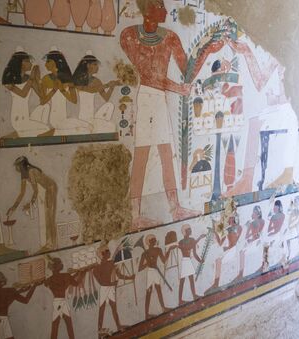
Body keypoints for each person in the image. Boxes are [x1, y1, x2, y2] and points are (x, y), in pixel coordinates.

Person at [120, 0, 199, 229]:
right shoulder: (129, 35)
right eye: (160, 6)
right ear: (147, 10)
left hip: (159, 100)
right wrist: (179, 89)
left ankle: (175, 208)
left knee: (167, 153)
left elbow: (188, 70)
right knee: (142, 154)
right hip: (147, 97)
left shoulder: (171, 37)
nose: (165, 10)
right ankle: (135, 216)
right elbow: (150, 76)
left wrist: (205, 50)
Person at [7, 156, 57, 252]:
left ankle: (51, 245)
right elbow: (22, 193)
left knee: (50, 216)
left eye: (17, 166)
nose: (16, 169)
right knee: (48, 216)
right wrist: (13, 207)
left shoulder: (31, 172)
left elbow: (35, 191)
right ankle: (49, 243)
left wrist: (30, 204)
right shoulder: (24, 174)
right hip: (47, 190)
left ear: (21, 166)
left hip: (51, 188)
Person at [1, 48, 52, 138]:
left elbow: (42, 98)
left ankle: (26, 132)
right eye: (28, 61)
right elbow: (23, 94)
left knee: (46, 106)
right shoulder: (9, 80)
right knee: (46, 130)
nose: (31, 64)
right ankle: (23, 132)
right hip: (18, 119)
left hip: (27, 118)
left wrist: (38, 79)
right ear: (21, 63)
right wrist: (32, 78)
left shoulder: (29, 78)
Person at [72, 52, 122, 133]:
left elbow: (106, 98)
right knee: (107, 127)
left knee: (110, 106)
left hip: (91, 116)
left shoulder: (97, 81)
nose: (97, 67)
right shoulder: (78, 79)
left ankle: (94, 127)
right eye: (95, 64)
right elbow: (90, 90)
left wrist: (112, 86)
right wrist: (107, 85)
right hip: (81, 117)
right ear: (88, 65)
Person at [91, 244, 135, 334]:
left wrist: (130, 277)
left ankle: (118, 326)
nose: (109, 252)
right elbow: (101, 282)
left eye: (109, 251)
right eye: (107, 251)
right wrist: (112, 283)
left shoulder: (110, 263)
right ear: (103, 254)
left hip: (110, 288)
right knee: (102, 309)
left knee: (114, 308)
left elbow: (119, 275)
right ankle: (99, 329)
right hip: (104, 289)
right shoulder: (96, 268)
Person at [44, 257, 85, 339]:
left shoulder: (49, 280)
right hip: (62, 303)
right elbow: (76, 283)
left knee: (55, 327)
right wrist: (83, 273)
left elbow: (47, 283)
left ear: (51, 268)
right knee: (69, 326)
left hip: (56, 303)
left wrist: (76, 274)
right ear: (59, 266)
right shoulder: (66, 276)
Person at [138, 234, 173, 318]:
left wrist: (168, 250)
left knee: (158, 290)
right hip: (150, 272)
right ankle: (146, 314)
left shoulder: (158, 250)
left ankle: (163, 308)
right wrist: (147, 263)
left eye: (155, 239)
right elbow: (139, 268)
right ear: (149, 242)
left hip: (156, 271)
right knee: (148, 293)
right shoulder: (145, 253)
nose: (155, 241)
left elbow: (164, 260)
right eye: (153, 240)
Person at [0, 271, 38, 339]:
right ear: (2, 281)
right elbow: (25, 300)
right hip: (3, 321)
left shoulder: (9, 291)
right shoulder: (9, 291)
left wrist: (20, 291)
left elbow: (8, 296)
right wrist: (34, 286)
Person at [176, 224, 206, 304]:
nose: (191, 230)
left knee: (191, 279)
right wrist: (199, 238)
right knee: (182, 281)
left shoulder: (192, 240)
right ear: (185, 232)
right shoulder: (181, 242)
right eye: (189, 229)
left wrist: (200, 260)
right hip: (184, 261)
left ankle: (194, 295)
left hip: (188, 261)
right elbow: (187, 247)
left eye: (190, 229)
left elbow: (195, 253)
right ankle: (180, 300)